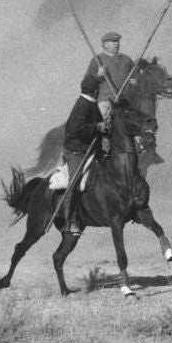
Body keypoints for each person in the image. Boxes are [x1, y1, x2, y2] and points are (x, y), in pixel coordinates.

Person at [56, 74, 108, 233]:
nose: (99, 91)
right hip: (76, 150)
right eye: (98, 88)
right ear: (95, 90)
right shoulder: (82, 105)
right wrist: (97, 127)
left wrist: (105, 127)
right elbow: (74, 130)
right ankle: (69, 221)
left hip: (90, 148)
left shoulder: (90, 104)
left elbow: (99, 125)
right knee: (74, 182)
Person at [84, 31, 135, 104]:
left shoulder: (126, 59)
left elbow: (135, 76)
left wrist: (134, 81)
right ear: (105, 44)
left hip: (126, 101)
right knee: (102, 113)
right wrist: (98, 75)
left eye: (117, 41)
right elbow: (87, 83)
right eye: (113, 41)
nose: (117, 44)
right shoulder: (97, 60)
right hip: (106, 101)